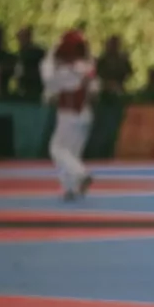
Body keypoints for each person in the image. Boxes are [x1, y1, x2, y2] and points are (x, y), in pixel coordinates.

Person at [43, 30, 97, 200]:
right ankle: (70, 188)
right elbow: (95, 89)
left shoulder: (65, 70)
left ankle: (82, 174)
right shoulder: (87, 66)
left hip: (69, 114)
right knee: (72, 154)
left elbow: (49, 80)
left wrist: (51, 55)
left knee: (57, 149)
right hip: (85, 114)